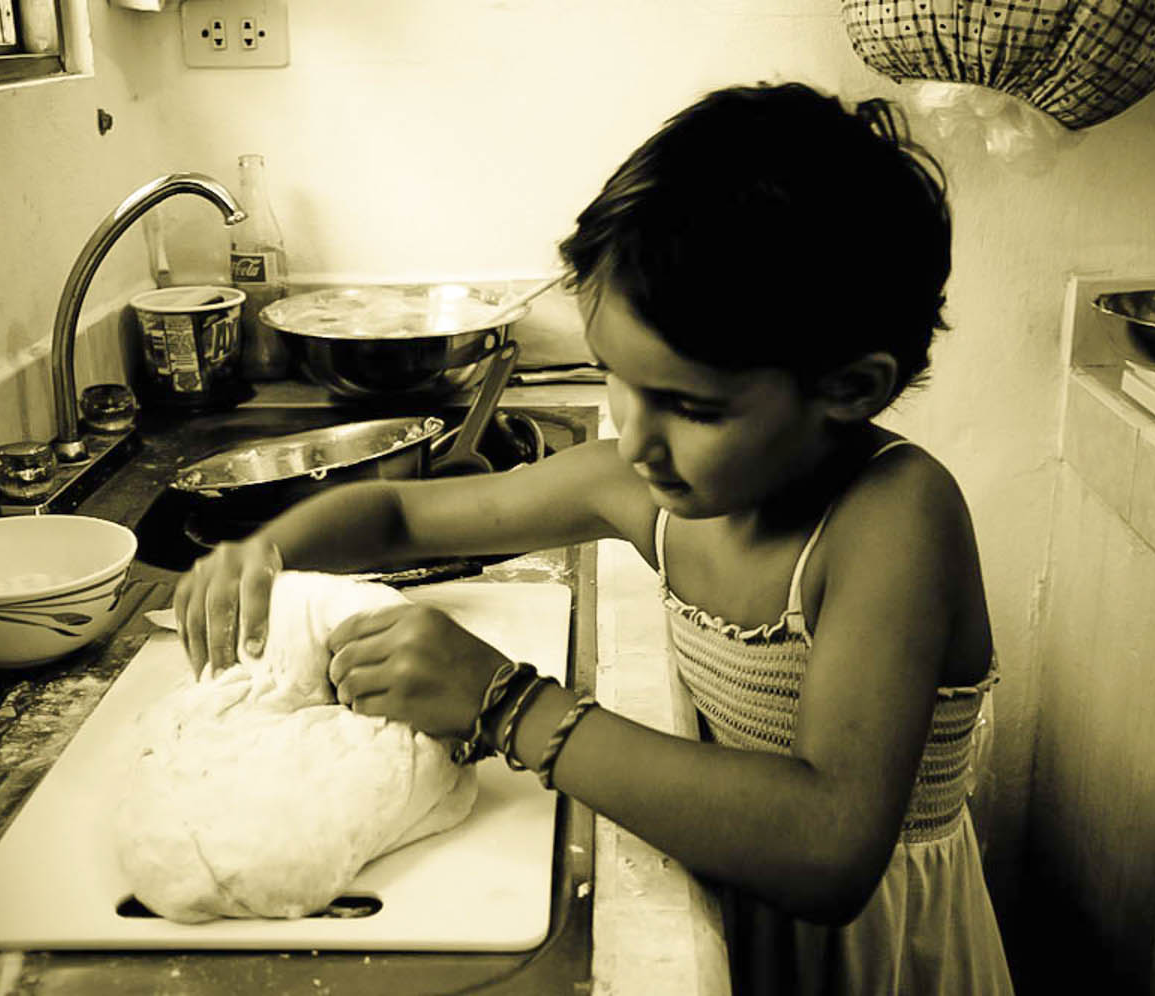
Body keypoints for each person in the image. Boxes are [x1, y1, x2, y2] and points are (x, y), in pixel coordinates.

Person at [174, 81, 1014, 995]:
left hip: (870, 957)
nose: (637, 435)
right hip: (726, 889)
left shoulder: (894, 520)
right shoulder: (639, 483)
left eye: (690, 406)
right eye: (618, 378)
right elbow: (401, 517)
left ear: (850, 389)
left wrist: (501, 704)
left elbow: (828, 853)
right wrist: (269, 552)